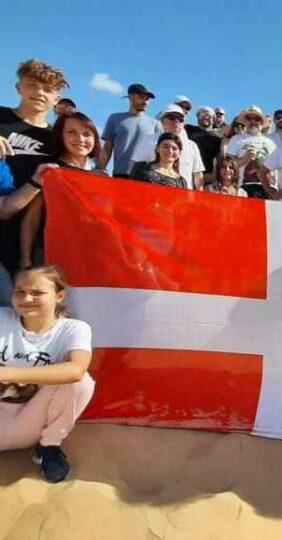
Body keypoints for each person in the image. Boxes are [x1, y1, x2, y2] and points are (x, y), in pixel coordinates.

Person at [0, 265, 94, 483]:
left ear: (59, 296)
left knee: (82, 383)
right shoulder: (2, 318)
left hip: (30, 422)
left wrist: (8, 373)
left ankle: (49, 447)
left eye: (37, 292)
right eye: (19, 291)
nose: (27, 298)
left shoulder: (73, 329)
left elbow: (76, 370)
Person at [0, 60, 69, 280]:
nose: (39, 93)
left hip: (30, 237)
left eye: (48, 89)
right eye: (31, 84)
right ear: (19, 87)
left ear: (56, 99)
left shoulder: (58, 139)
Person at [20, 112, 102, 269]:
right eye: (72, 132)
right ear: (60, 136)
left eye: (87, 134)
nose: (81, 139)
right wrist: (25, 260)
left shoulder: (101, 176)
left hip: (87, 257)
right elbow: (32, 219)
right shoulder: (49, 171)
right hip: (49, 256)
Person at [130, 104, 205, 190]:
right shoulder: (148, 140)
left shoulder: (192, 146)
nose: (176, 121)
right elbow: (135, 169)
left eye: (180, 119)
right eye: (171, 117)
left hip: (182, 198)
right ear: (162, 120)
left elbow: (198, 175)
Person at [98, 83, 161, 178]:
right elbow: (107, 148)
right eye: (141, 97)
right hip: (120, 174)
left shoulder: (156, 124)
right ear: (131, 97)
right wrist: (100, 169)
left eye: (147, 99)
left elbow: (159, 153)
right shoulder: (115, 118)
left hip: (145, 176)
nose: (145, 102)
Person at [225, 106, 276, 180]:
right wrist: (245, 159)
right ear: (245, 122)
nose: (253, 121)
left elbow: (276, 168)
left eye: (257, 119)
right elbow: (228, 165)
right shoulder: (236, 139)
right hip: (241, 187)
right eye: (249, 118)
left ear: (262, 122)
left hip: (266, 186)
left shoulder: (270, 143)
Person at [185, 106, 222, 183]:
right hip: (186, 173)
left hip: (205, 178)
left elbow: (219, 159)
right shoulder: (187, 129)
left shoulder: (217, 139)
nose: (205, 117)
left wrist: (213, 176)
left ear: (213, 120)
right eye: (202, 115)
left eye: (208, 115)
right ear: (197, 117)